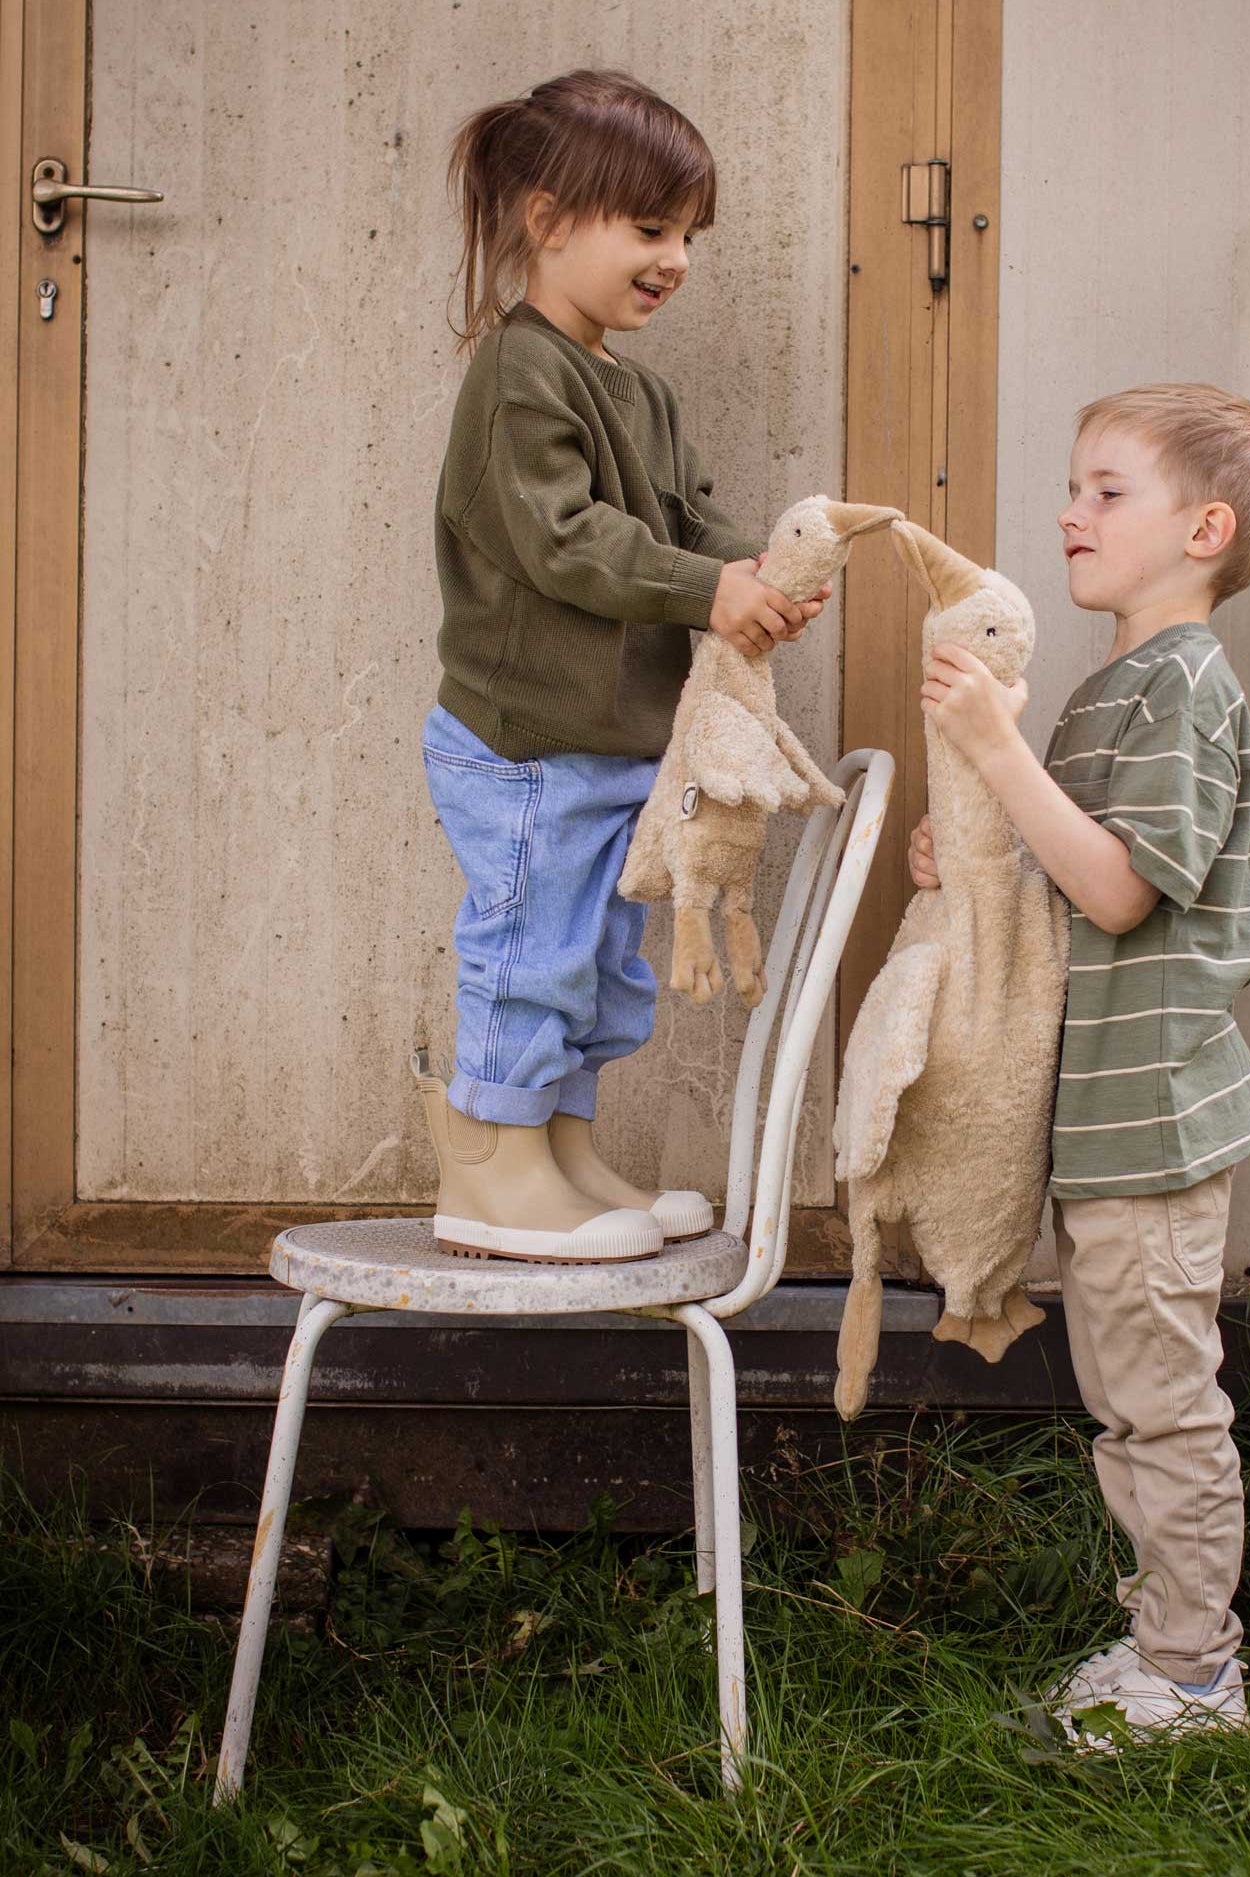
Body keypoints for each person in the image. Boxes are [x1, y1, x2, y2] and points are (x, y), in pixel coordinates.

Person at [907, 384, 1250, 1738]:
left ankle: (1193, 1675)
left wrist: (992, 746)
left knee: (1158, 1410)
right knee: (1127, 1404)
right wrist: (972, 849)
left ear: (1202, 529)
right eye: (1071, 486)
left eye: (1105, 490)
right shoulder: (1113, 685)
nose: (1069, 513)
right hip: (1106, 1123)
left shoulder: (1184, 685)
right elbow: (1065, 878)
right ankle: (1164, 1650)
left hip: (1152, 1118)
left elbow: (1125, 891)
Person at [416, 70, 828, 1264]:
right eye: (651, 229)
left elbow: (682, 519)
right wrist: (712, 593)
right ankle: (488, 1169)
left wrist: (758, 567)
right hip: (526, 744)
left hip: (602, 744)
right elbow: (565, 539)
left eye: (688, 234)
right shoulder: (519, 373)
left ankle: (561, 1152)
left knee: (595, 960)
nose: (678, 258)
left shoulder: (638, 389)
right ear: (548, 221)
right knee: (529, 943)